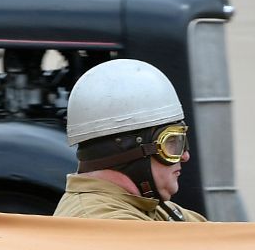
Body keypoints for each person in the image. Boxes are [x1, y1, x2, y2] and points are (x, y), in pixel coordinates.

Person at [54, 59, 206, 222]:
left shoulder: (149, 207)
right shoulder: (101, 221)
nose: (185, 156)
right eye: (171, 143)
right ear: (129, 152)